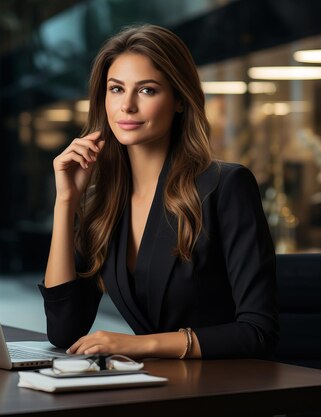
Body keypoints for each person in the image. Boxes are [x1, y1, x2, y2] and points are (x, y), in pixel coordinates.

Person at [40, 24, 278, 360]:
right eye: (116, 89)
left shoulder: (226, 186)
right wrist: (66, 202)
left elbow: (258, 332)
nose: (127, 106)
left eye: (147, 90)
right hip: (155, 387)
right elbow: (64, 331)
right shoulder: (104, 202)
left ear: (179, 99)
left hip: (225, 390)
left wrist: (137, 344)